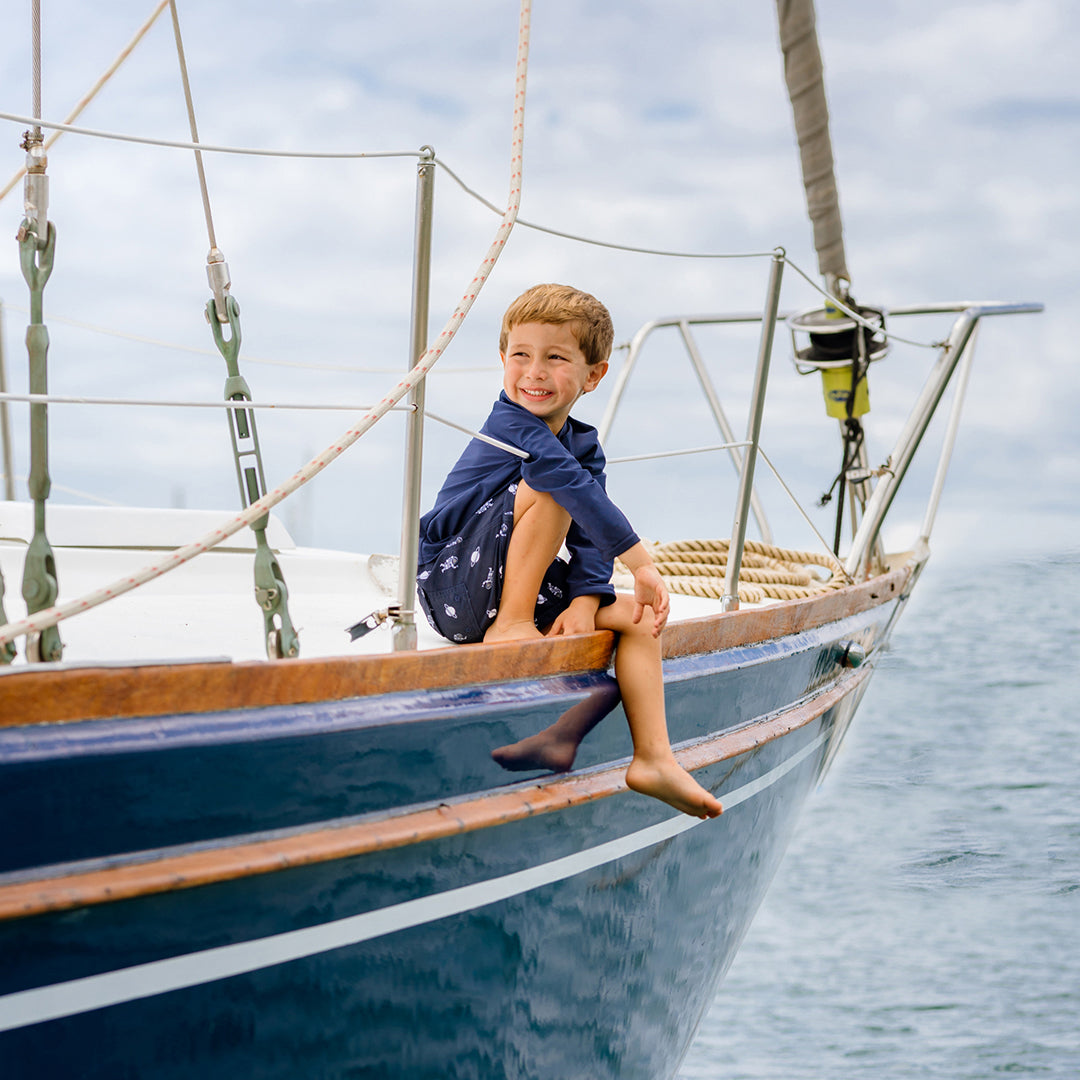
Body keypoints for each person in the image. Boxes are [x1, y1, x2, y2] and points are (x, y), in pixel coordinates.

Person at [416, 283, 722, 820]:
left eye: (555, 358)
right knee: (555, 480)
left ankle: (653, 757)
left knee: (635, 615)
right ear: (502, 360)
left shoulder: (584, 444)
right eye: (520, 355)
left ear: (593, 375)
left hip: (504, 578)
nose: (533, 372)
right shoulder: (509, 424)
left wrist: (586, 600)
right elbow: (566, 487)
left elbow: (585, 535)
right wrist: (641, 561)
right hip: (452, 583)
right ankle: (511, 621)